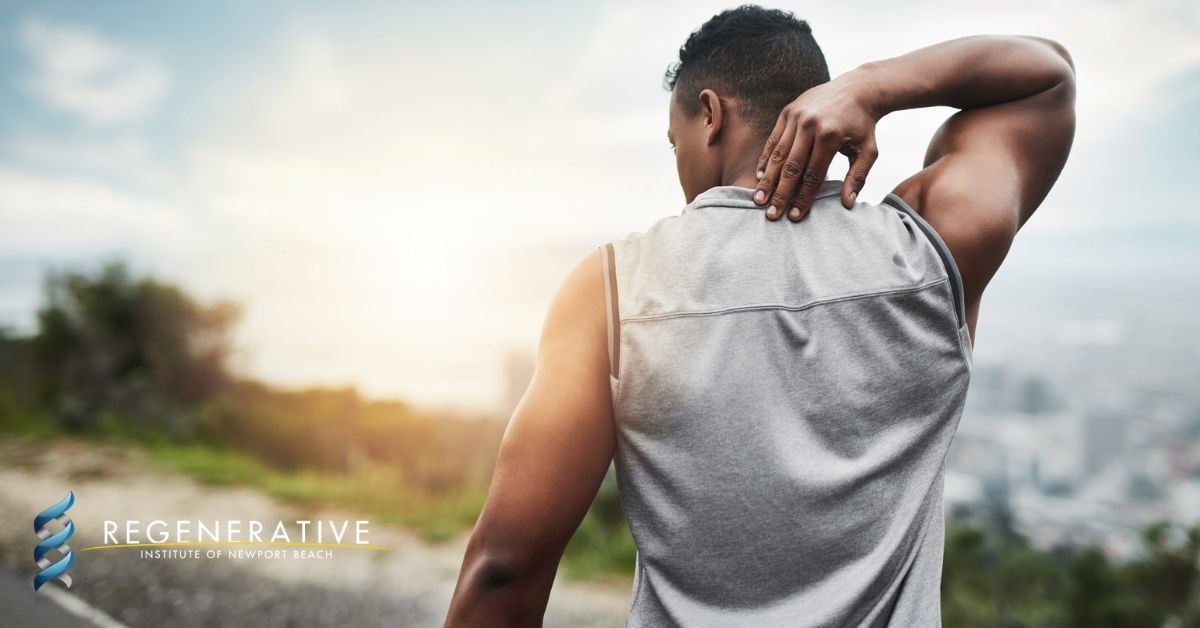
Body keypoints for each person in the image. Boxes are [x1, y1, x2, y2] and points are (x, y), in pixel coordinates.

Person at [445, 5, 1075, 627]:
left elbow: (505, 572)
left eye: (675, 142)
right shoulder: (928, 251)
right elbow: (1047, 78)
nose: (678, 166)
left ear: (711, 115)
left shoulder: (614, 290)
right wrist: (870, 87)